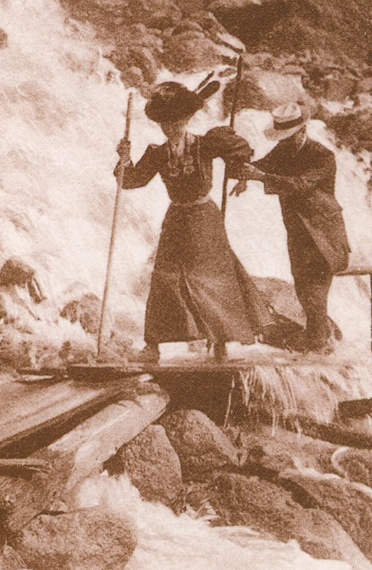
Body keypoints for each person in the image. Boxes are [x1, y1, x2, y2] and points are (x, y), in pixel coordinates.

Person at [116, 81, 270, 363]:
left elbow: (238, 148)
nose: (171, 128)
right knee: (164, 278)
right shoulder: (157, 153)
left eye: (176, 122)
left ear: (186, 120)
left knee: (215, 277)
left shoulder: (205, 145)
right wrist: (123, 160)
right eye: (165, 124)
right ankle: (152, 345)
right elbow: (132, 181)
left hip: (204, 218)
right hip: (176, 218)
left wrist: (239, 173)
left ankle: (221, 341)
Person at [234, 102, 351, 353]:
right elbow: (262, 165)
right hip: (298, 229)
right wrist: (243, 170)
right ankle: (319, 339)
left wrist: (259, 176)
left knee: (315, 289)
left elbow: (299, 184)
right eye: (281, 138)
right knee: (302, 284)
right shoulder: (285, 149)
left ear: (302, 130)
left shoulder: (322, 155)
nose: (283, 142)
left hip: (323, 232)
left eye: (288, 137)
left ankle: (319, 342)